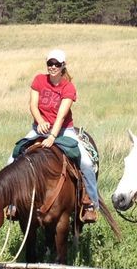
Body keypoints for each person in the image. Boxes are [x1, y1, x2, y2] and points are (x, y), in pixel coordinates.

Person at [16, 48, 99, 223]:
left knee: (86, 163)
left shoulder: (68, 87)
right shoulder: (39, 80)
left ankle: (90, 204)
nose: (53, 67)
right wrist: (40, 122)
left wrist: (53, 136)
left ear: (63, 66)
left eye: (56, 64)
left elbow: (61, 115)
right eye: (50, 63)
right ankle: (13, 203)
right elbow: (33, 105)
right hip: (39, 129)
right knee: (13, 159)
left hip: (63, 131)